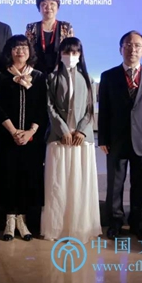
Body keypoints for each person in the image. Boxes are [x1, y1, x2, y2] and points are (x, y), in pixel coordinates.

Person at [98, 31, 142, 241]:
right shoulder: (108, 76)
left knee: (141, 185)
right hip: (116, 139)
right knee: (115, 185)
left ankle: (138, 223)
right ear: (121, 49)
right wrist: (103, 139)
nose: (132, 49)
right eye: (128, 45)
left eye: (137, 46)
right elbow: (104, 110)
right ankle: (115, 222)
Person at [41, 37, 101, 243]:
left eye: (74, 52)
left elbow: (90, 108)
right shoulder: (52, 78)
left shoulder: (88, 79)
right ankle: (58, 227)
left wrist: (81, 131)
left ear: (80, 54)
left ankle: (80, 227)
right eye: (67, 52)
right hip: (59, 138)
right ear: (60, 54)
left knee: (80, 184)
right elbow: (49, 107)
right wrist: (63, 129)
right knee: (58, 184)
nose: (70, 56)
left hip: (81, 140)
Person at [0, 35, 47, 242]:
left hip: (32, 139)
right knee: (8, 177)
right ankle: (9, 220)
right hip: (7, 137)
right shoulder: (1, 76)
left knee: (27, 177)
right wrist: (14, 131)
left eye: (24, 47)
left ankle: (22, 220)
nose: (20, 51)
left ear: (30, 51)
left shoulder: (39, 77)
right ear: (9, 52)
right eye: (16, 48)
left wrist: (30, 132)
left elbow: (42, 108)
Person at [25, 0, 74, 74]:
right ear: (39, 8)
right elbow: (28, 51)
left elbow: (71, 50)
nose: (48, 7)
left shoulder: (66, 27)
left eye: (52, 4)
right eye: (44, 4)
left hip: (60, 72)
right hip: (36, 73)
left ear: (58, 8)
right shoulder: (31, 27)